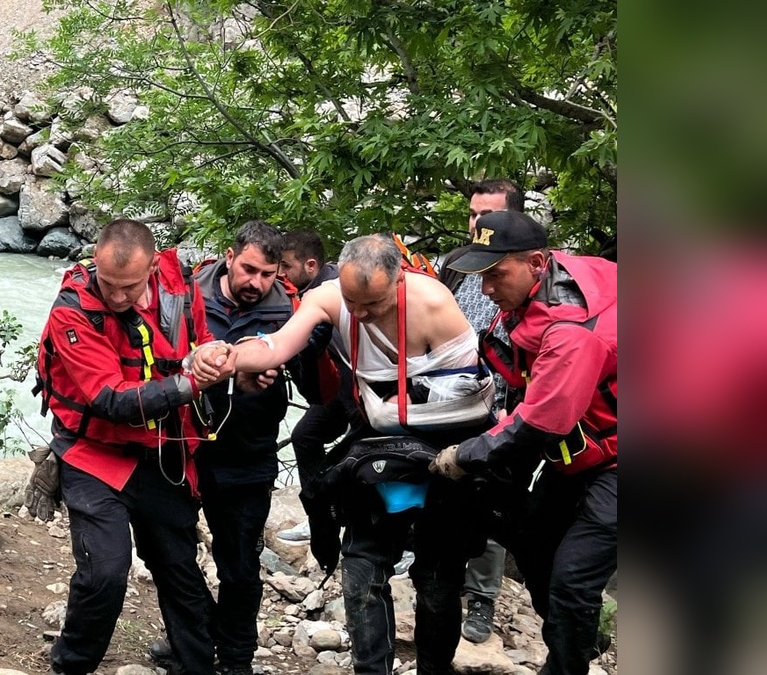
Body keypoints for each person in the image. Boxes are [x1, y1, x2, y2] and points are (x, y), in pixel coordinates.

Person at [195, 234, 496, 675]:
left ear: (399, 283)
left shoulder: (433, 304)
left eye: (373, 304)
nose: (360, 313)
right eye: (353, 302)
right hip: (378, 448)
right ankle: (370, 669)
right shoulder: (330, 298)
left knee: (436, 581)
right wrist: (224, 356)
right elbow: (276, 345)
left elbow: (470, 398)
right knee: (361, 571)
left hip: (442, 451)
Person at [25, 218, 235, 675]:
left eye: (130, 287)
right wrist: (187, 384)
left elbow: (200, 343)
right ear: (95, 263)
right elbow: (109, 399)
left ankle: (194, 664)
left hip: (162, 454)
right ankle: (71, 665)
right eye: (109, 285)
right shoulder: (72, 312)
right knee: (104, 570)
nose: (118, 297)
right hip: (94, 455)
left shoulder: (181, 290)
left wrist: (215, 359)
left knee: (177, 566)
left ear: (153, 267)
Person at [431, 209, 617, 675]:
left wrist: (464, 455)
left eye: (496, 275)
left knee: (572, 580)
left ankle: (568, 661)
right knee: (533, 543)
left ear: (536, 262)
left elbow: (540, 423)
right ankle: (577, 640)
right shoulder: (543, 288)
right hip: (581, 452)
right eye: (481, 275)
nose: (487, 289)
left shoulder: (574, 329)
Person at [191, 220, 296, 675]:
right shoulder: (187, 296)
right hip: (183, 450)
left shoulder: (290, 314)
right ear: (229, 258)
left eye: (266, 274)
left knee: (238, 566)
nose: (255, 282)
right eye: (248, 269)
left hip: (249, 456)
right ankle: (193, 638)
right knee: (168, 555)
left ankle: (236, 659)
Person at [438, 179, 525, 644]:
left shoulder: (526, 267)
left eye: (486, 215)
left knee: (489, 498)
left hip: (505, 405)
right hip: (450, 399)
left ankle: (482, 598)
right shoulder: (455, 264)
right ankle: (438, 577)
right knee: (442, 486)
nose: (476, 223)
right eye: (472, 214)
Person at [275, 230, 360, 544]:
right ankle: (319, 515)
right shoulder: (303, 291)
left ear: (310, 265)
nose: (280, 273)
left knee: (359, 450)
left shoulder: (331, 293)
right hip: (338, 388)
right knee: (304, 435)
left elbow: (350, 360)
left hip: (363, 390)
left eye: (286, 266)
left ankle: (345, 511)